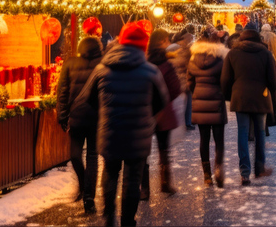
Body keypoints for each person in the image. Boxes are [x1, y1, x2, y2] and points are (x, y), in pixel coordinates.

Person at [74, 20, 169, 227]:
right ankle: (127, 221)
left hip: (110, 132)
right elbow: (162, 102)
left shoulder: (102, 69)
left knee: (110, 172)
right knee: (132, 179)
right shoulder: (151, 71)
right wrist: (147, 117)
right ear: (143, 46)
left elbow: (86, 99)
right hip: (138, 135)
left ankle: (108, 218)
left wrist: (105, 112)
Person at [221, 28, 276, 185]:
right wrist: (271, 92)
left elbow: (225, 80)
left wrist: (230, 97)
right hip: (260, 97)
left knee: (243, 133)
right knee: (260, 132)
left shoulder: (232, 53)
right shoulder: (265, 53)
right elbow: (273, 81)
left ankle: (244, 173)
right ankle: (260, 168)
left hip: (240, 97)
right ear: (258, 39)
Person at [56, 37, 102, 214]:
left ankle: (88, 195)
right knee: (91, 157)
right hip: (96, 118)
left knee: (75, 155)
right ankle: (86, 190)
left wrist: (62, 115)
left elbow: (62, 92)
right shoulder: (104, 63)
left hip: (77, 118)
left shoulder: (70, 63)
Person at [142, 29, 181, 199]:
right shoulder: (167, 64)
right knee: (163, 149)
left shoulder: (143, 62)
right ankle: (165, 183)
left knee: (143, 151)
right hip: (163, 113)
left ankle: (144, 189)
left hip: (144, 112)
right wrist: (164, 99)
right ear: (163, 41)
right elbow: (176, 88)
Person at [187, 37, 229, 188]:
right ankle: (218, 170)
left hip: (199, 103)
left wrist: (197, 94)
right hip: (216, 102)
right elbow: (225, 82)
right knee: (219, 140)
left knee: (203, 140)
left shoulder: (192, 60)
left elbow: (189, 82)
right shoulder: (220, 60)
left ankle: (206, 176)